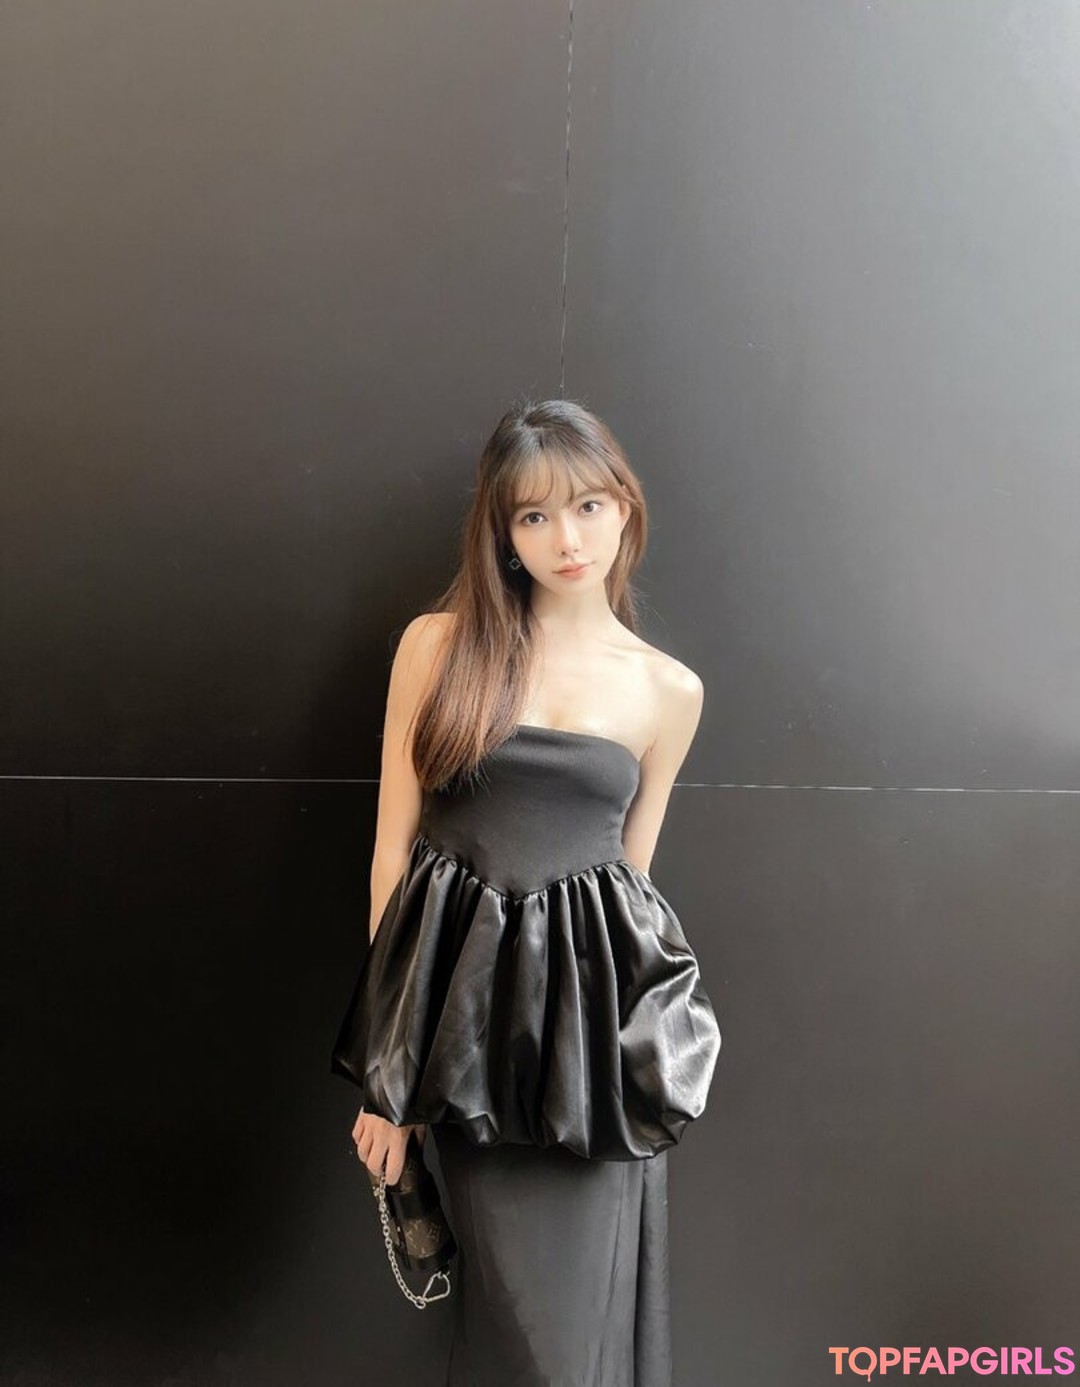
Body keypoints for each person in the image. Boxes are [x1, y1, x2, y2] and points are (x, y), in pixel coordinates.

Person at [331, 398, 722, 1386]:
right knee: (516, 1337)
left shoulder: (669, 689)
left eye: (588, 506)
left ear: (625, 507)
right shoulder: (437, 647)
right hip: (468, 1050)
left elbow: (633, 886)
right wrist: (391, 1076)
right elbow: (392, 858)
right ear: (502, 532)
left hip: (592, 1059)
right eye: (535, 515)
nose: (568, 538)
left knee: (579, 1348)